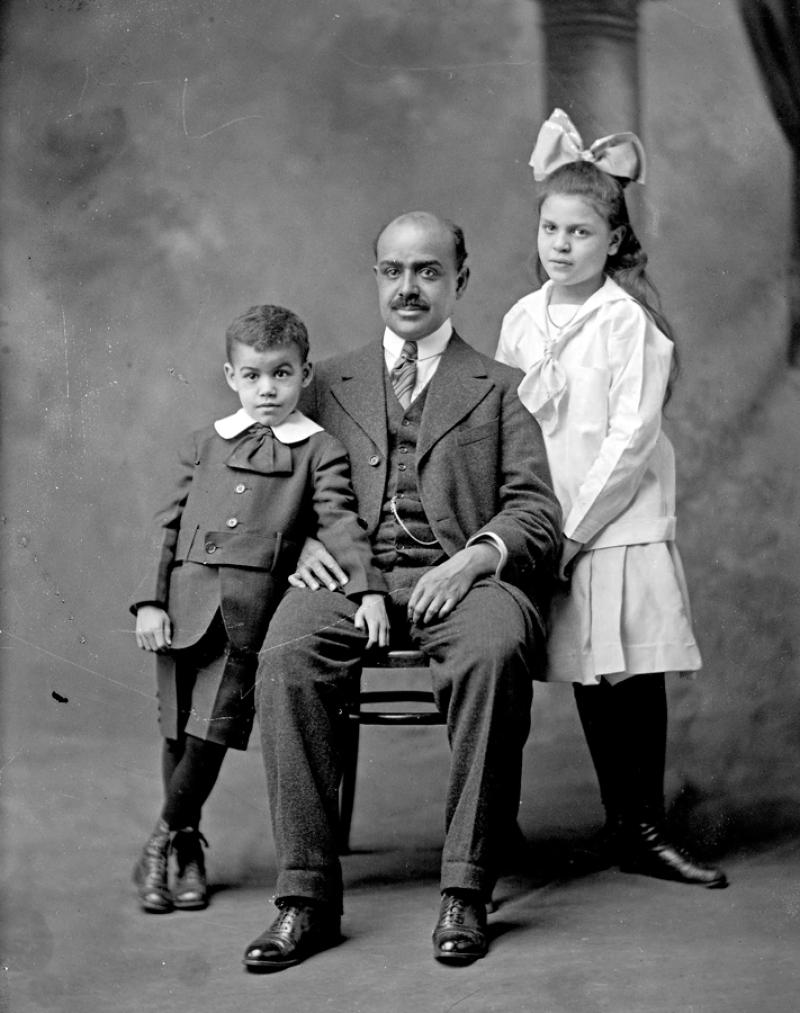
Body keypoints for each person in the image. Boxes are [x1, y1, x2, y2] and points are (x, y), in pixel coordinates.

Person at [242, 211, 561, 971]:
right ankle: (306, 897)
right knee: (284, 654)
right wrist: (308, 541)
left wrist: (476, 557)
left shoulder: (500, 389)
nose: (409, 287)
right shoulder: (323, 385)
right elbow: (274, 486)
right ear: (376, 277)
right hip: (353, 580)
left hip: (461, 577)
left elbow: (538, 512)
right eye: (393, 270)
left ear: (460, 280)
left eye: (427, 271)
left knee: (492, 650)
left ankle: (466, 887)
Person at [495, 109, 727, 889]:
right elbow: (505, 425)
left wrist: (575, 529)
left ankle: (645, 822)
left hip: (614, 523)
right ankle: (618, 821)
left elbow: (630, 438)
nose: (562, 245)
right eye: (552, 229)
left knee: (632, 673)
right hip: (547, 524)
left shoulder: (629, 324)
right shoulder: (522, 320)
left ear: (615, 241)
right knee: (595, 669)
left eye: (582, 232)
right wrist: (528, 523)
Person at [131, 304, 388, 914]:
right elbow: (166, 526)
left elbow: (340, 521)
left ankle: (159, 841)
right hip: (184, 606)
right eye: (253, 376)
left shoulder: (317, 449)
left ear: (304, 377)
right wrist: (149, 600)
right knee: (176, 728)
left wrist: (368, 587)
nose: (267, 389)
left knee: (209, 733)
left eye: (281, 374)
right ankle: (187, 852)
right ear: (230, 376)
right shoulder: (203, 444)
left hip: (248, 615)